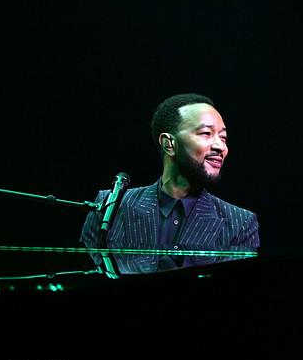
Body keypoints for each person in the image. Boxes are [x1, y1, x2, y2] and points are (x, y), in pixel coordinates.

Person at [80, 93, 259, 275]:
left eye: (223, 137)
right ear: (169, 144)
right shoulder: (110, 206)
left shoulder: (240, 223)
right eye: (206, 133)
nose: (220, 147)